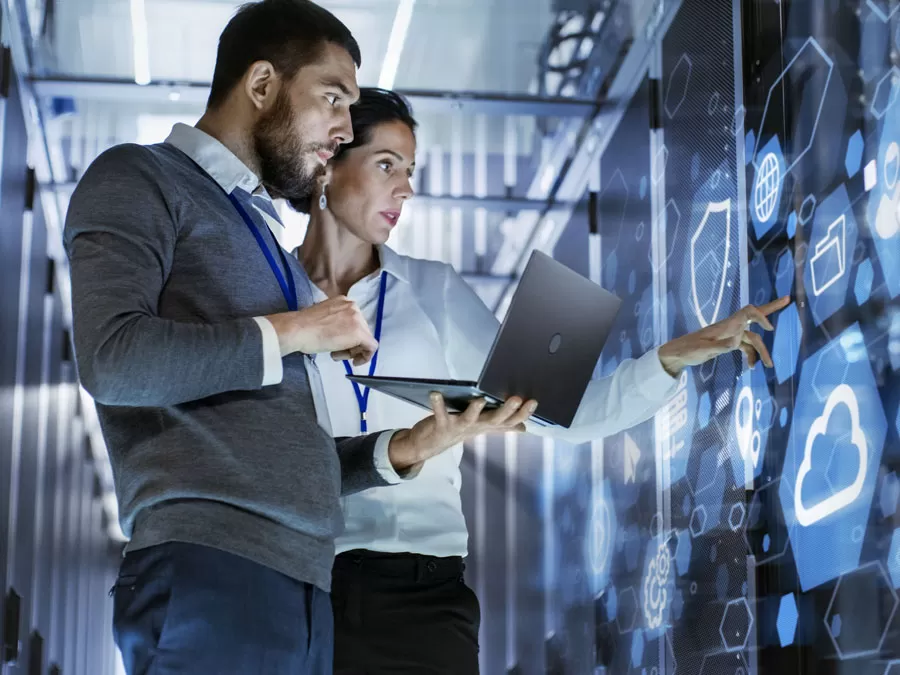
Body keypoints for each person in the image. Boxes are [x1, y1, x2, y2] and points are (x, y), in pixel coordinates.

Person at [63, 4, 535, 674]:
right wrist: (299, 328)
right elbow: (114, 359)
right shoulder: (140, 178)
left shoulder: (265, 244)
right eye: (332, 98)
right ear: (261, 86)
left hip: (304, 589)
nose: (343, 128)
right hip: (212, 571)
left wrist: (408, 448)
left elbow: (288, 449)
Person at [291, 87, 788, 673]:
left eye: (410, 171)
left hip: (422, 598)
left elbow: (562, 415)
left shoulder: (436, 291)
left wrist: (672, 357)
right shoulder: (271, 300)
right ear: (329, 163)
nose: (406, 188)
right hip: (302, 588)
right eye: (386, 165)